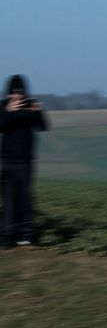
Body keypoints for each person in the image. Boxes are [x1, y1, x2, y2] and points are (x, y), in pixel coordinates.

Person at [0, 74, 49, 247]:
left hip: (26, 160)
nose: (18, 96)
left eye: (21, 93)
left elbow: (43, 127)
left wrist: (38, 112)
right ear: (8, 93)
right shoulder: (3, 106)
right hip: (8, 160)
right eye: (14, 93)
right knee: (9, 200)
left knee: (25, 198)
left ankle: (26, 234)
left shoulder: (30, 105)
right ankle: (6, 236)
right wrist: (8, 112)